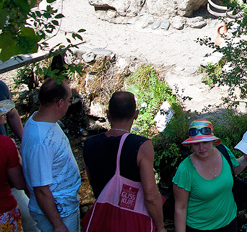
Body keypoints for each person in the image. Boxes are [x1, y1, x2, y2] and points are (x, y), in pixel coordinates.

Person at [82, 91, 165, 231]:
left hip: (102, 219)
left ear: (108, 114)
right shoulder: (141, 146)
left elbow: (92, 181)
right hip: (131, 221)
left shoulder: (89, 144)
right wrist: (161, 227)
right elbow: (150, 196)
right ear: (136, 114)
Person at [21, 79, 81, 232]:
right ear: (60, 103)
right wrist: (58, 224)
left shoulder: (42, 120)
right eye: (69, 100)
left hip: (65, 206)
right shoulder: (40, 141)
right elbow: (40, 188)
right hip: (58, 213)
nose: (69, 104)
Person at [173, 120, 240, 232]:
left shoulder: (224, 152)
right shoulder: (185, 170)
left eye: (205, 142)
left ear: (213, 141)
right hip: (200, 228)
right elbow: (180, 208)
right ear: (191, 144)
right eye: (196, 144)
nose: (201, 148)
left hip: (230, 223)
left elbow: (234, 170)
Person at [0, 100, 25, 232]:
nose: (5, 113)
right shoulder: (6, 145)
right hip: (3, 213)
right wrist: (19, 159)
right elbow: (20, 183)